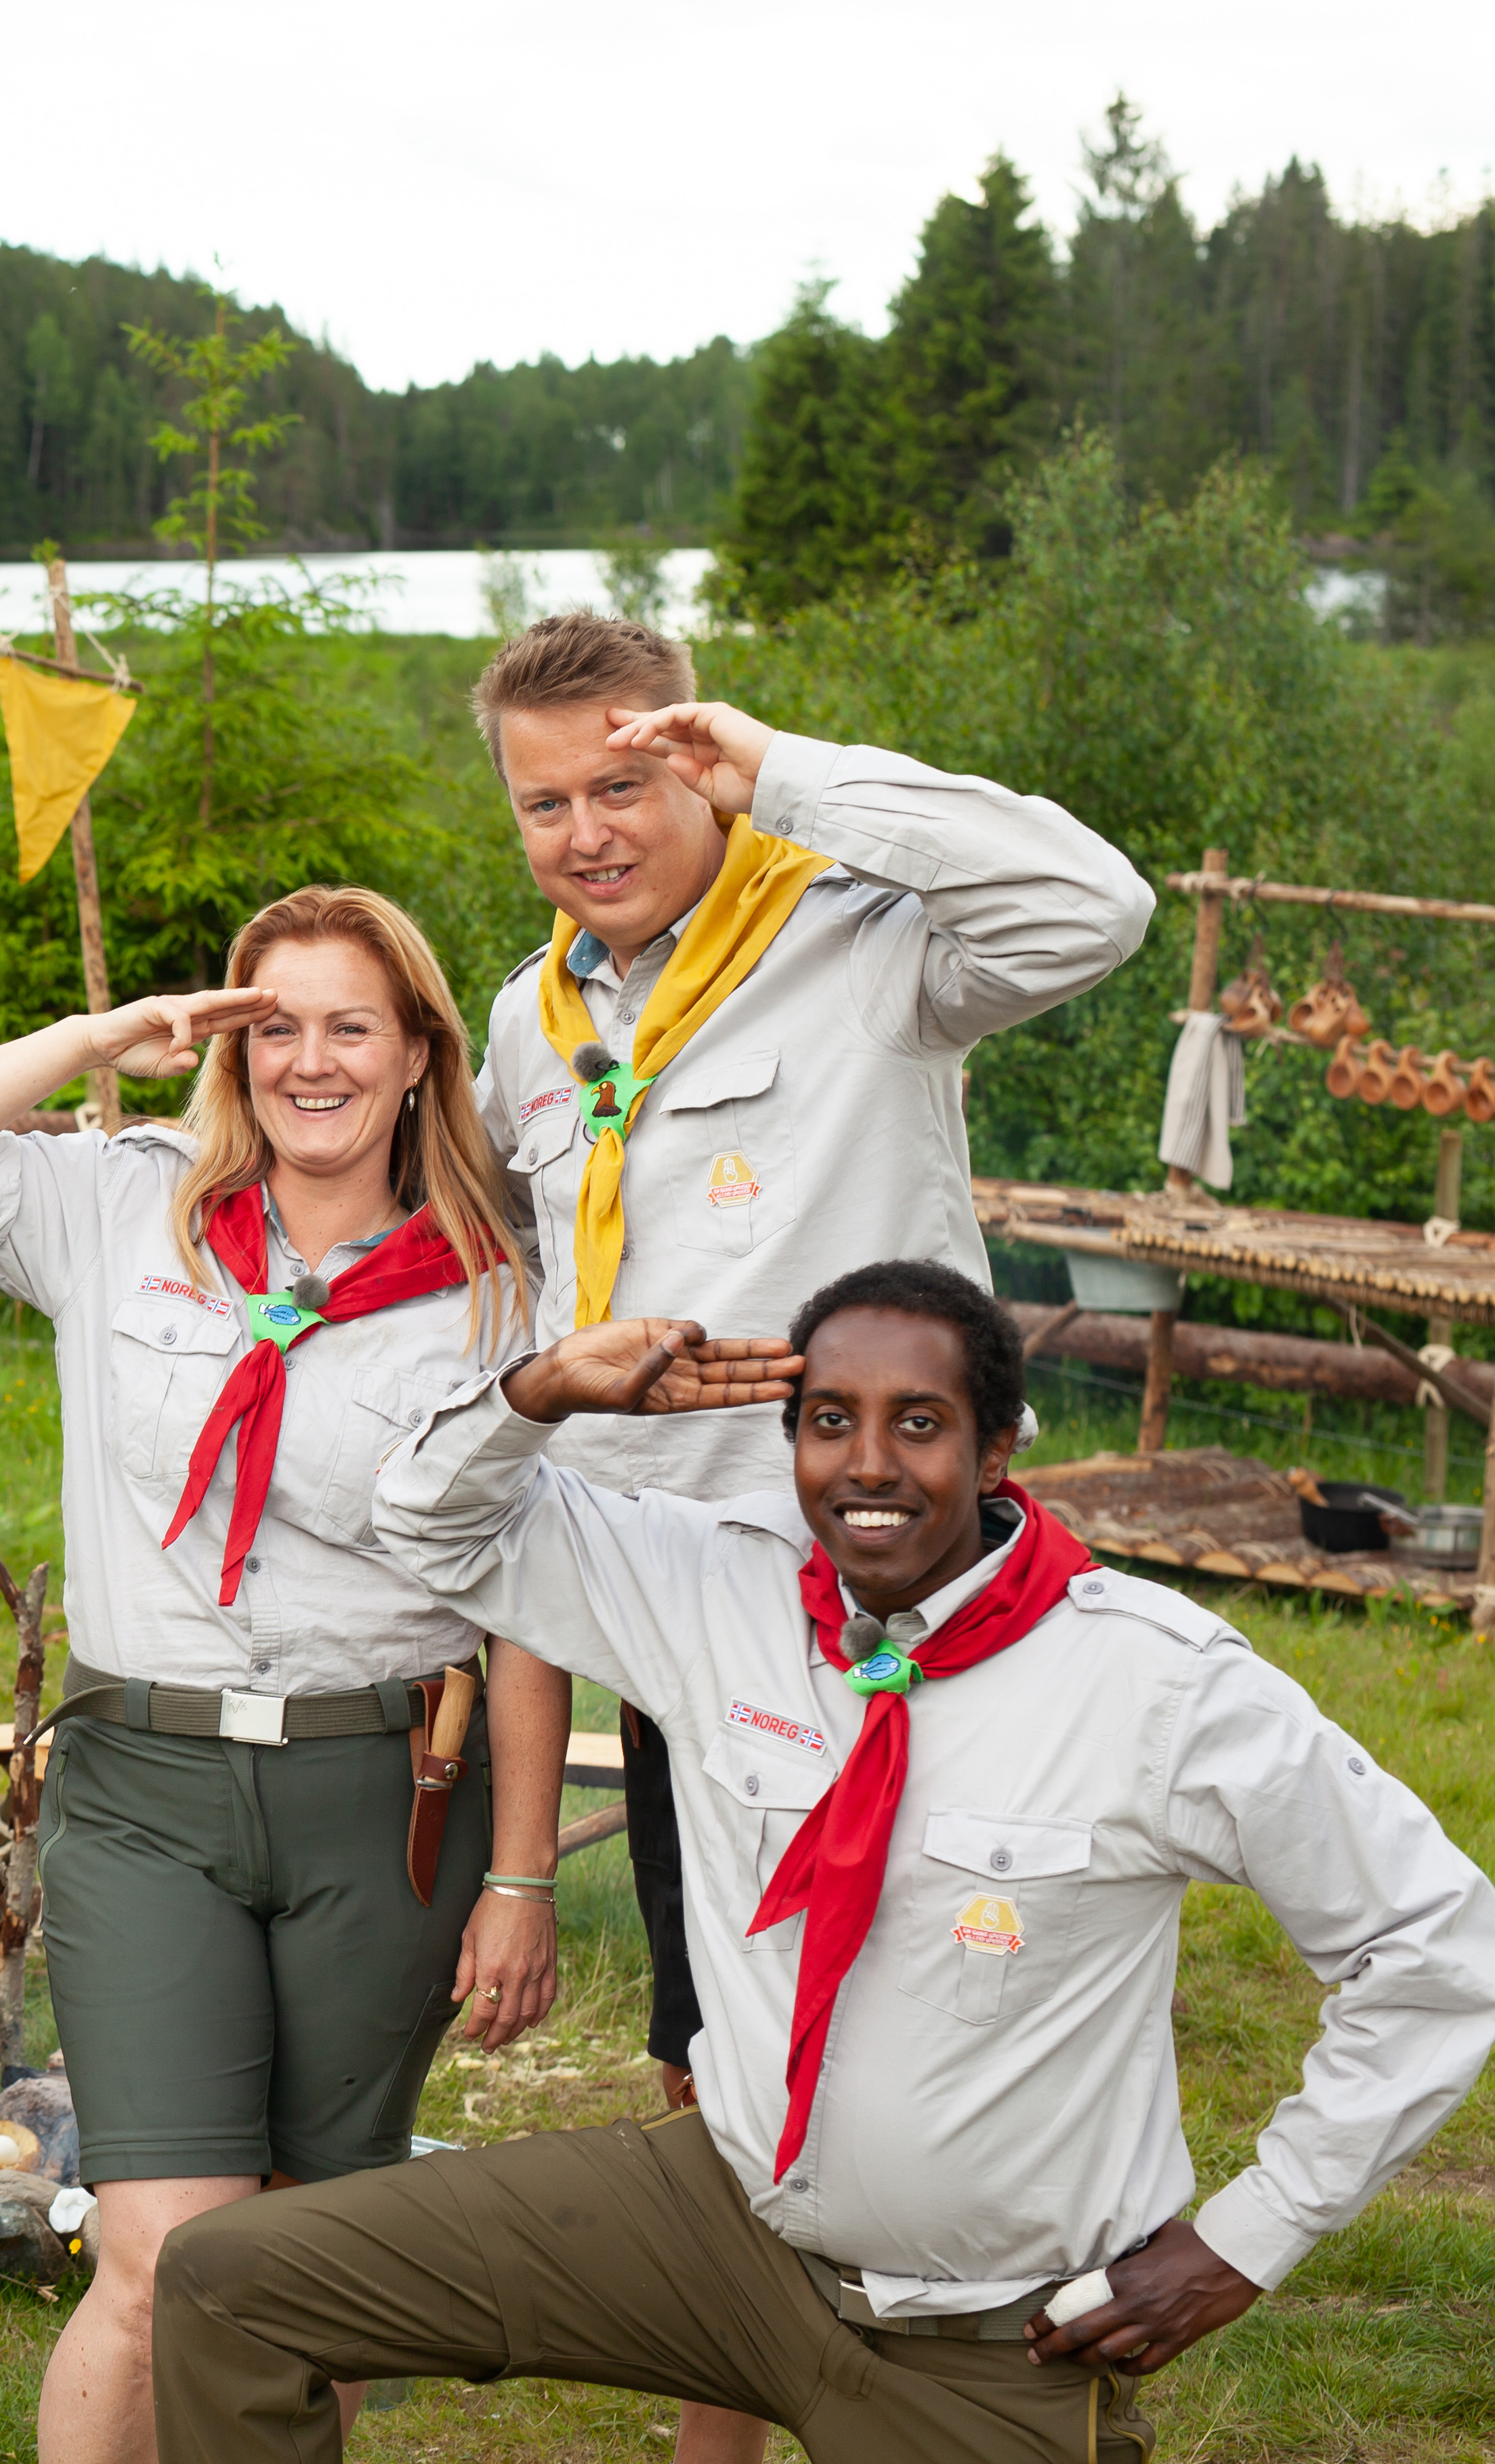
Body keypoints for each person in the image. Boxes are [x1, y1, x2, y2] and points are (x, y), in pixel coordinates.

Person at [144, 1262, 1495, 2463]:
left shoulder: (1156, 1683)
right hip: (720, 2229)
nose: (868, 1466)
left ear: (1000, 1451)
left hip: (984, 2340)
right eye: (828, 1422)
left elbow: (1440, 1953)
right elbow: (432, 1524)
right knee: (232, 2283)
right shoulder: (717, 1594)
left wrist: (1243, 2245)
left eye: (921, 1424)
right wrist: (544, 1388)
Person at [464, 614, 1155, 2464]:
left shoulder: (858, 944)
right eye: (546, 802)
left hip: (908, 1602)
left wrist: (790, 772)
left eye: (628, 781)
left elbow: (1095, 904)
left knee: (964, 2022)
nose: (590, 831)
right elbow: (492, 1268)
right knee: (730, 2064)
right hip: (689, 1631)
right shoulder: (528, 1022)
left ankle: (1024, 2398)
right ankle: (742, 2437)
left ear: (692, 757)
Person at [0, 885, 564, 2464]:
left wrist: (521, 1877)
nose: (313, 1062)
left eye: (351, 1026)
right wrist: (100, 1040)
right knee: (163, 2247)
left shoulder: (501, 1284)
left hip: (390, 1793)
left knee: (323, 2247)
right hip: (150, 1785)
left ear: (422, 1055)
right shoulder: (125, 1204)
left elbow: (531, 1595)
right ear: (230, 1051)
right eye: (275, 1026)